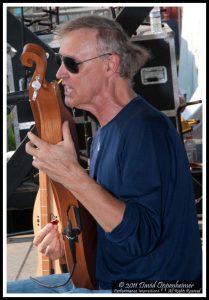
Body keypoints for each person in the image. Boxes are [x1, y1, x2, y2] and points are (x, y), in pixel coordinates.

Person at [7, 14, 202, 294]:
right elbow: (113, 223)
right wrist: (68, 244)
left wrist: (72, 175)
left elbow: (141, 237)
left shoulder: (144, 130)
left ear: (110, 64)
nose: (60, 73)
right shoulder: (107, 131)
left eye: (71, 63)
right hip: (109, 279)